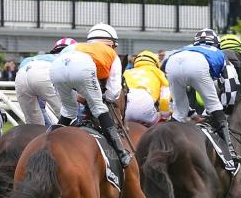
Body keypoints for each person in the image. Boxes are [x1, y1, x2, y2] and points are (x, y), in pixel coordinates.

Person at [50, 23, 132, 167]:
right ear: (112, 44)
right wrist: (102, 97)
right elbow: (113, 94)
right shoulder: (111, 54)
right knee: (100, 109)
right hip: (82, 68)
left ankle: (47, 139)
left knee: (68, 111)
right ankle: (121, 153)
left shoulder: (77, 47)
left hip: (56, 67)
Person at [163, 28, 241, 170]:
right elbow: (231, 85)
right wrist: (226, 110)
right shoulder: (220, 53)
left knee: (179, 112)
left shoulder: (186, 49)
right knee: (214, 106)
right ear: (217, 44)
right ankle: (229, 151)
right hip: (197, 65)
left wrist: (192, 114)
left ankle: (166, 145)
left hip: (171, 62)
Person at [15, 38, 74, 125]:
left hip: (22, 73)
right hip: (45, 74)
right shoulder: (70, 59)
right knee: (69, 115)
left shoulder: (40, 57)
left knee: (34, 126)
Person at [123, 50, 171, 126]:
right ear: (156, 63)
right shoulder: (160, 74)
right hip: (146, 113)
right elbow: (164, 100)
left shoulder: (127, 72)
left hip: (125, 113)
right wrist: (165, 115)